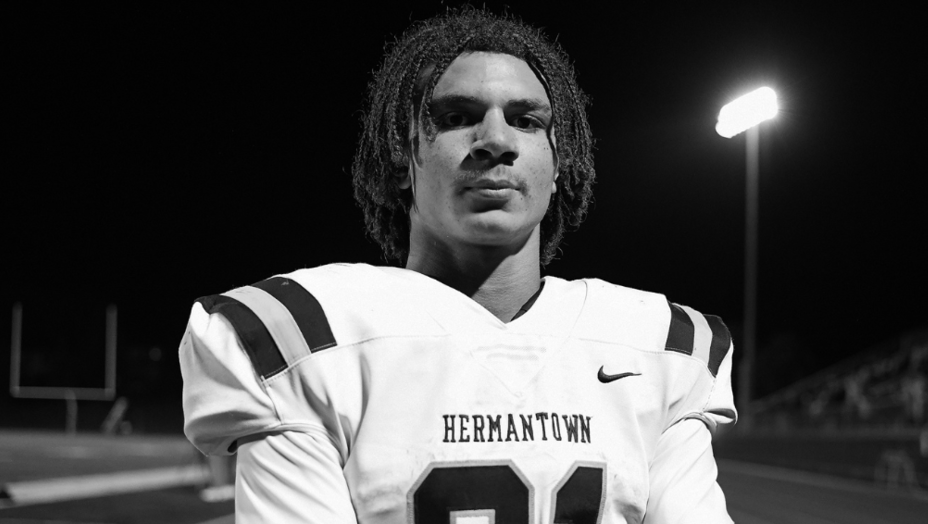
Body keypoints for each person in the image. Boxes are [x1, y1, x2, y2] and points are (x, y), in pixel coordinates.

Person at [180, 7, 737, 523]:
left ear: (560, 163)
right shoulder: (303, 339)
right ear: (402, 157)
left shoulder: (662, 351)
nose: (495, 140)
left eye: (525, 119)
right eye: (456, 116)